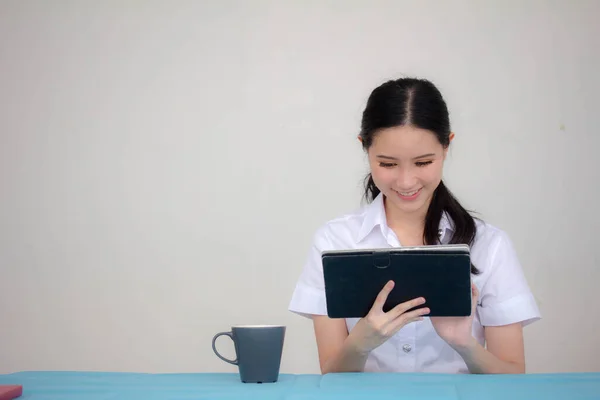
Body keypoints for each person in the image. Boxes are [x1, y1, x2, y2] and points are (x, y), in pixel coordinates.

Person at [288, 77, 541, 374]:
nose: (407, 182)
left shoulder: (490, 245)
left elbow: (515, 379)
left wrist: (465, 343)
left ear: (447, 146)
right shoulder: (334, 241)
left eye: (423, 163)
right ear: (365, 148)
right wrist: (360, 343)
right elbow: (331, 376)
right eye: (388, 164)